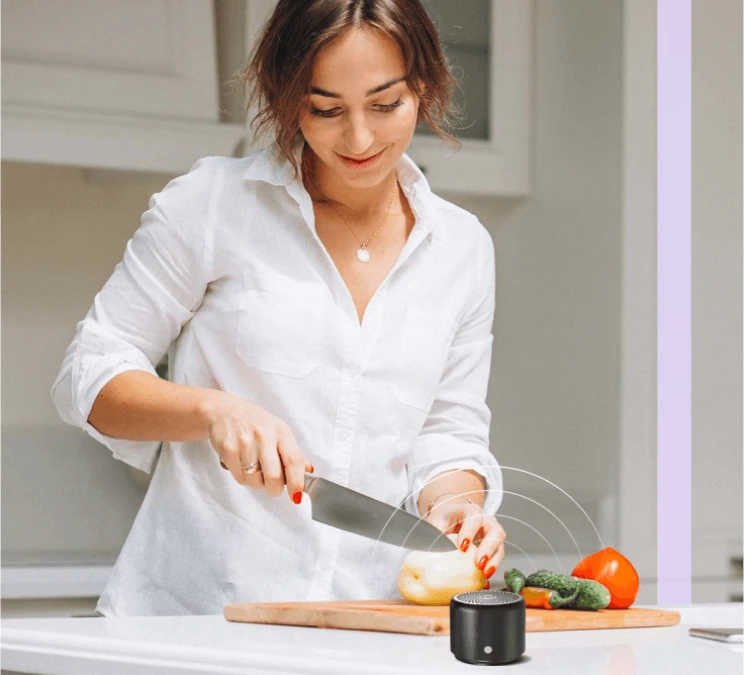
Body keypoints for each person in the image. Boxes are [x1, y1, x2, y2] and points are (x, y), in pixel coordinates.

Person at [52, 0, 507, 617]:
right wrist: (212, 411)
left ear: (422, 86)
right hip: (190, 623)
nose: (360, 138)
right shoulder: (213, 205)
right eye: (326, 108)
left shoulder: (462, 249)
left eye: (385, 104)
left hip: (362, 630)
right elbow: (88, 375)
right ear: (289, 96)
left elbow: (447, 434)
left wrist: (455, 505)